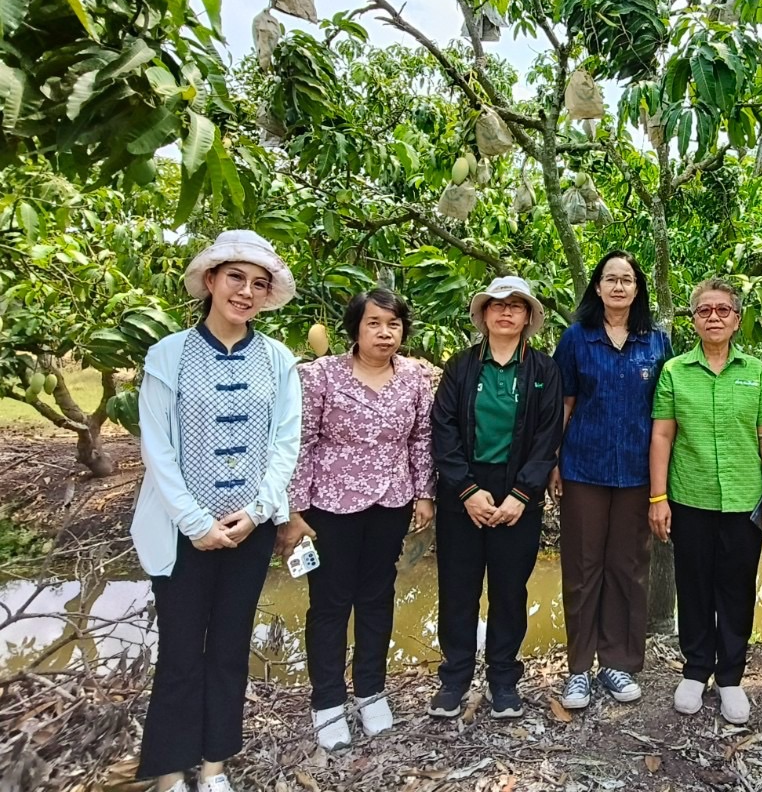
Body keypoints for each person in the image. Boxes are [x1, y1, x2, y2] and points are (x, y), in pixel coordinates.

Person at [130, 231, 301, 792]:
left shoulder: (278, 360)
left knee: (229, 648)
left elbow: (284, 445)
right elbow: (157, 448)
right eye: (235, 278)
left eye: (259, 284)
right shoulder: (169, 355)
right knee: (181, 650)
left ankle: (214, 765)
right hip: (182, 531)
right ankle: (168, 771)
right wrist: (195, 522)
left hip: (249, 530)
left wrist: (257, 512)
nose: (246, 292)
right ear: (210, 280)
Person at [277, 289, 436, 750]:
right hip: (330, 505)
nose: (385, 333)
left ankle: (371, 690)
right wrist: (294, 510)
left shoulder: (415, 376)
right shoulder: (320, 375)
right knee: (330, 602)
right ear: (355, 328)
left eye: (393, 324)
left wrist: (424, 493)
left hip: (391, 502)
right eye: (374, 323)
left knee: (377, 596)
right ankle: (327, 701)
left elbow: (421, 438)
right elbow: (302, 442)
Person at [649, 278, 762, 726]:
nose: (713, 317)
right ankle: (695, 670)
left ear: (737, 319)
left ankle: (730, 677)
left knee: (736, 587)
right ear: (693, 320)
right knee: (693, 585)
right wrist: (658, 497)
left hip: (745, 498)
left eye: (723, 310)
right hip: (690, 496)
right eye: (704, 310)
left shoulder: (754, 371)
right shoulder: (675, 371)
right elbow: (663, 435)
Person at [428, 276, 562, 720]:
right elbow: (443, 429)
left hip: (518, 495)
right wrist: (466, 490)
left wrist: (522, 494)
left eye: (515, 306)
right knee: (458, 589)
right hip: (463, 494)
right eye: (497, 305)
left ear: (528, 317)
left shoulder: (543, 370)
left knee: (509, 591)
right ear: (484, 314)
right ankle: (454, 679)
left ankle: (503, 680)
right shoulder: (461, 366)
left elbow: (548, 435)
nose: (506, 312)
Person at [551, 251, 672, 710]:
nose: (619, 286)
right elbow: (564, 404)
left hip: (638, 474)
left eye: (627, 279)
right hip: (584, 467)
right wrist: (553, 460)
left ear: (638, 289)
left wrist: (664, 481)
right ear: (597, 288)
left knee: (629, 567)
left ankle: (617, 663)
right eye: (610, 279)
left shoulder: (656, 342)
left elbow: (666, 414)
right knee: (582, 568)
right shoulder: (576, 338)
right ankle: (579, 668)